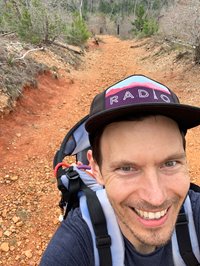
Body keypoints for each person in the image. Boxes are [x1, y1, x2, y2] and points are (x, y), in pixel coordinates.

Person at [40, 75, 200, 266]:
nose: (156, 198)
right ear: (96, 169)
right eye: (126, 168)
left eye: (170, 163)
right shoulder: (74, 246)